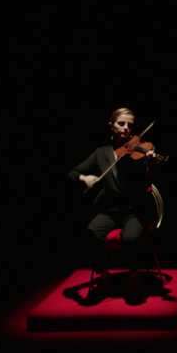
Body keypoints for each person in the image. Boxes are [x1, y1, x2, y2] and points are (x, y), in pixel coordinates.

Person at [69, 108, 160, 291]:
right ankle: (103, 272)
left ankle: (134, 273)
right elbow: (73, 172)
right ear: (111, 126)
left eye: (130, 125)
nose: (126, 128)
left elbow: (147, 182)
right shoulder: (101, 153)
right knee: (89, 235)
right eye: (121, 123)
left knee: (130, 239)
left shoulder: (138, 151)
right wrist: (84, 178)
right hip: (111, 210)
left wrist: (151, 165)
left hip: (135, 210)